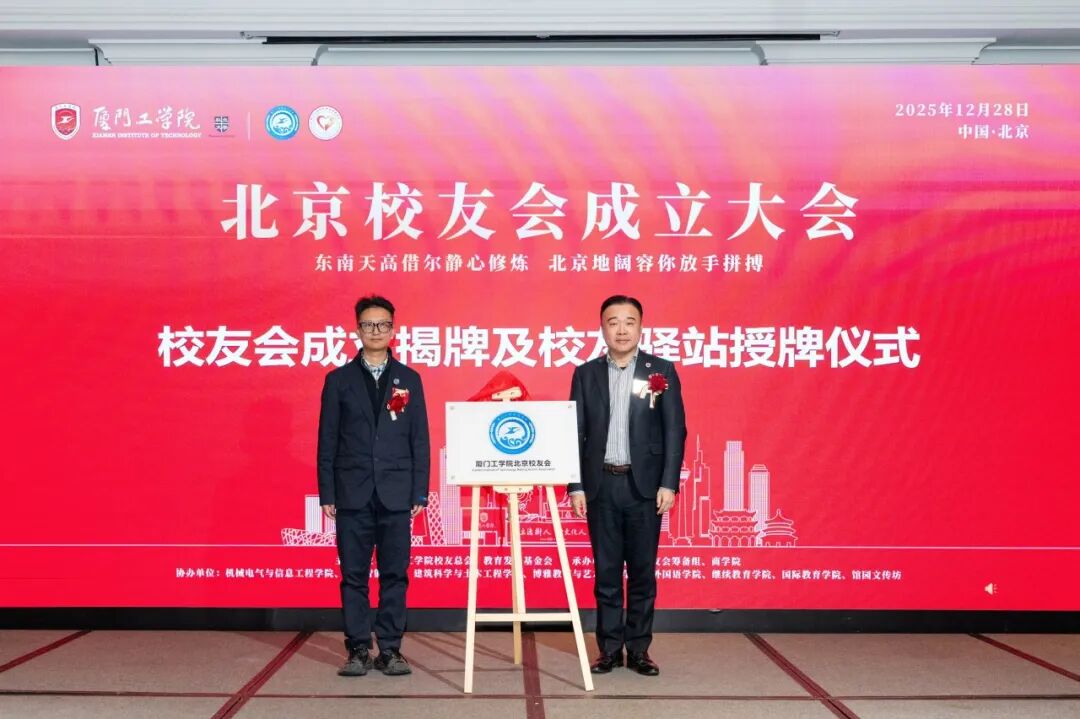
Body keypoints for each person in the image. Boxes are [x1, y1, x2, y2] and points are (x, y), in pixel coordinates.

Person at [568, 294, 687, 676]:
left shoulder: (660, 371)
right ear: (602, 328)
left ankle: (638, 650)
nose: (621, 330)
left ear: (640, 327)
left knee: (642, 573)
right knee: (605, 573)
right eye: (613, 322)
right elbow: (574, 432)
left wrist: (669, 483)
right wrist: (575, 485)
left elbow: (674, 430)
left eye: (629, 321)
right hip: (601, 485)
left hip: (644, 489)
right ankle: (608, 649)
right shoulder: (585, 374)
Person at [317, 295, 430, 676]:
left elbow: (419, 439)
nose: (376, 331)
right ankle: (357, 649)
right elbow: (327, 440)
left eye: (383, 324)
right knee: (353, 575)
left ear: (393, 329)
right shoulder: (338, 380)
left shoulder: (409, 379)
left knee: (395, 573)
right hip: (352, 492)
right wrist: (328, 492)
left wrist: (419, 490)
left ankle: (391, 649)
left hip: (397, 493)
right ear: (357, 330)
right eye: (368, 325)